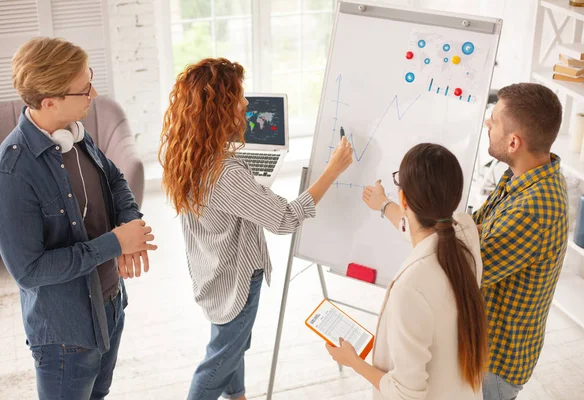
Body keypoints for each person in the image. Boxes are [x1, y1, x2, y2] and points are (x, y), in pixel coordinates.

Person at [159, 57, 353, 400]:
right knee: (220, 357)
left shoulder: (189, 156)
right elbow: (285, 219)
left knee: (232, 343)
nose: (247, 105)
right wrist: (333, 170)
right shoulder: (228, 174)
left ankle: (238, 396)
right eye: (239, 98)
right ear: (221, 110)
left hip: (211, 270)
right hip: (235, 279)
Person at [0, 37, 157, 399]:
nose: (93, 92)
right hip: (66, 335)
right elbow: (28, 270)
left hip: (109, 304)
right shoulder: (10, 176)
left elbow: (114, 178)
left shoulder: (74, 133)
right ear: (50, 102)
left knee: (99, 394)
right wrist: (114, 243)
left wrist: (129, 224)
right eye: (83, 88)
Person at [327, 143, 488, 400]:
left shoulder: (411, 288)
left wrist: (354, 362)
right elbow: (420, 230)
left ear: (404, 199)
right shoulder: (466, 232)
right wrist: (383, 205)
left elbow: (406, 395)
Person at [474, 83, 568, 400]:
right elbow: (477, 228)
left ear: (513, 142)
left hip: (493, 364)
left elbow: (466, 269)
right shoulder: (523, 175)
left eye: (495, 120)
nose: (488, 124)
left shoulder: (533, 210)